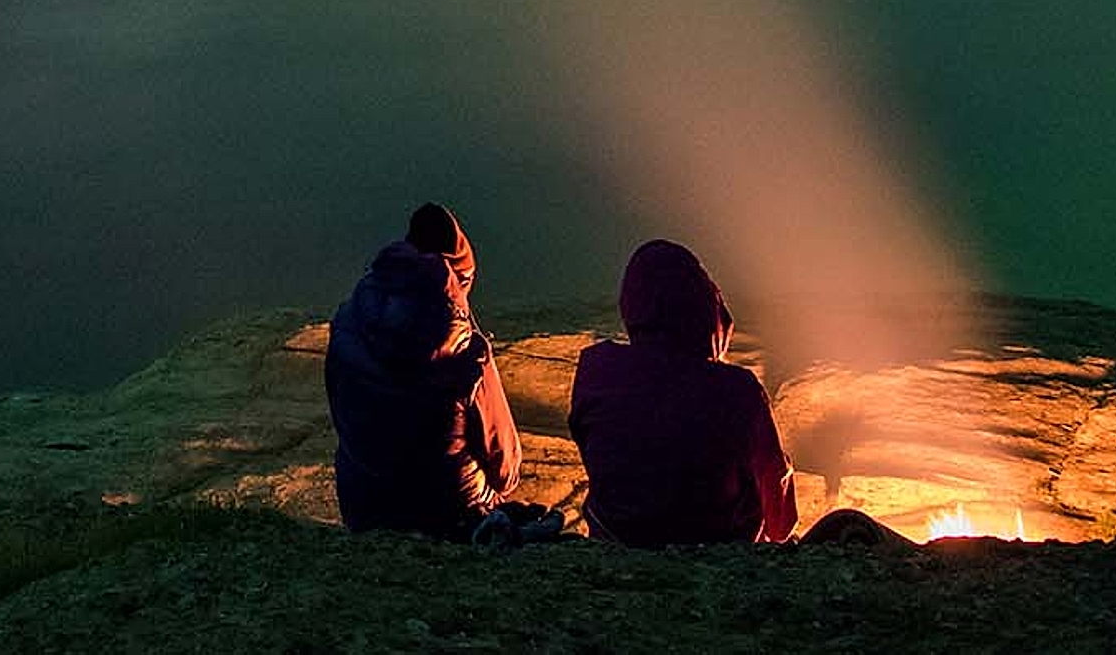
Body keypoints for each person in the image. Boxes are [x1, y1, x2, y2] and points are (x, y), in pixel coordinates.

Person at [567, 238, 796, 546]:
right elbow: (780, 523)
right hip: (717, 557)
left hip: (617, 545)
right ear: (706, 305)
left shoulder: (595, 370)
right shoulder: (738, 391)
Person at [324, 201, 522, 537]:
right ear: (458, 277)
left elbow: (341, 419)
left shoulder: (346, 325)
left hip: (363, 508)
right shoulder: (468, 353)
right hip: (450, 515)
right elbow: (505, 470)